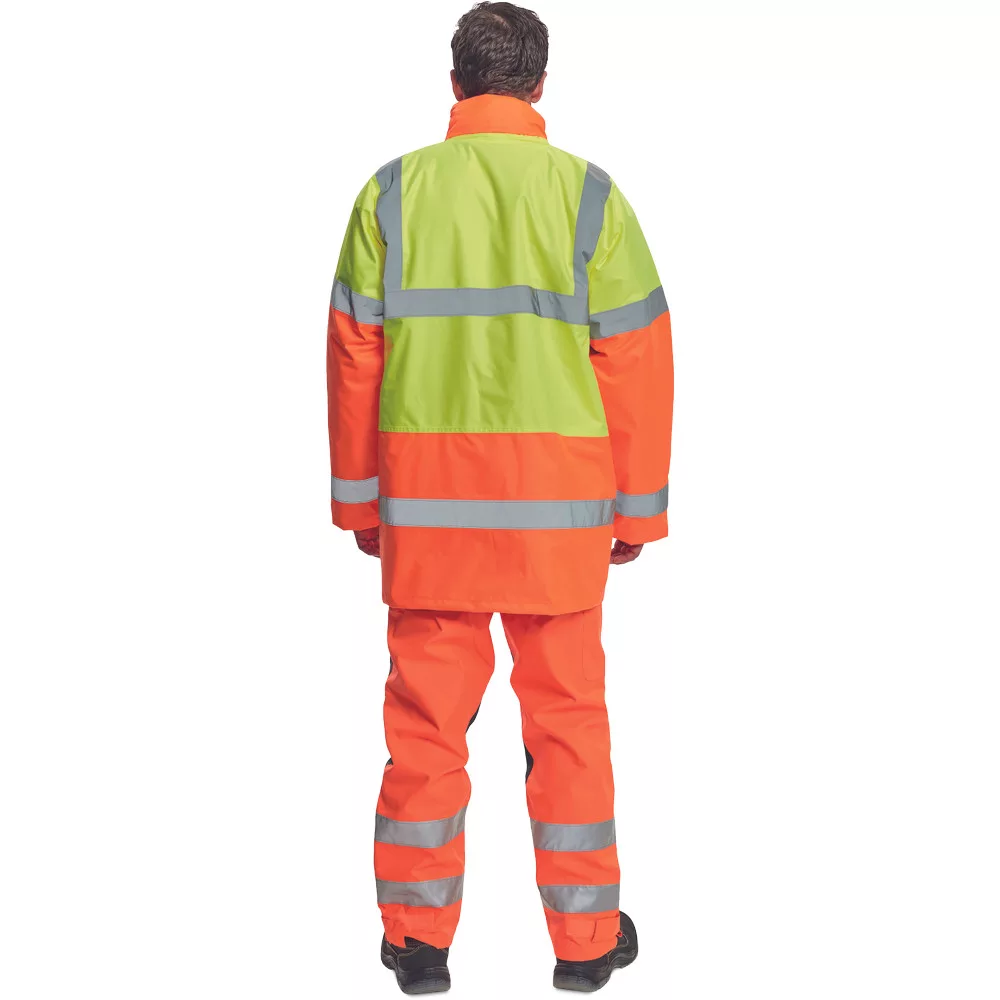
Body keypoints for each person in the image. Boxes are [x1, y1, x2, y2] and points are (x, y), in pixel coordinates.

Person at [327, 3, 673, 992]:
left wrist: (361, 506)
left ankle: (417, 942)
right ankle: (585, 943)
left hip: (429, 522)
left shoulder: (391, 195)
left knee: (424, 734)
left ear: (454, 83)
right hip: (558, 527)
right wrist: (636, 511)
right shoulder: (588, 196)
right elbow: (636, 357)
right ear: (540, 85)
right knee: (568, 728)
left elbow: (354, 354)